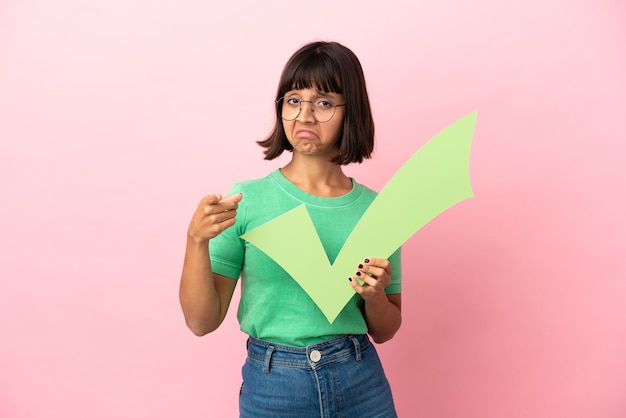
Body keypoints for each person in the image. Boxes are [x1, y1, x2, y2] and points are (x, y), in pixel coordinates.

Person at [179, 40, 402, 418]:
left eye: (324, 102)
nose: (305, 116)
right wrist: (196, 241)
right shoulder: (246, 200)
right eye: (293, 100)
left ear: (353, 112)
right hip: (274, 385)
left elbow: (386, 329)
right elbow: (202, 322)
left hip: (361, 381)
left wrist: (377, 296)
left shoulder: (378, 210)